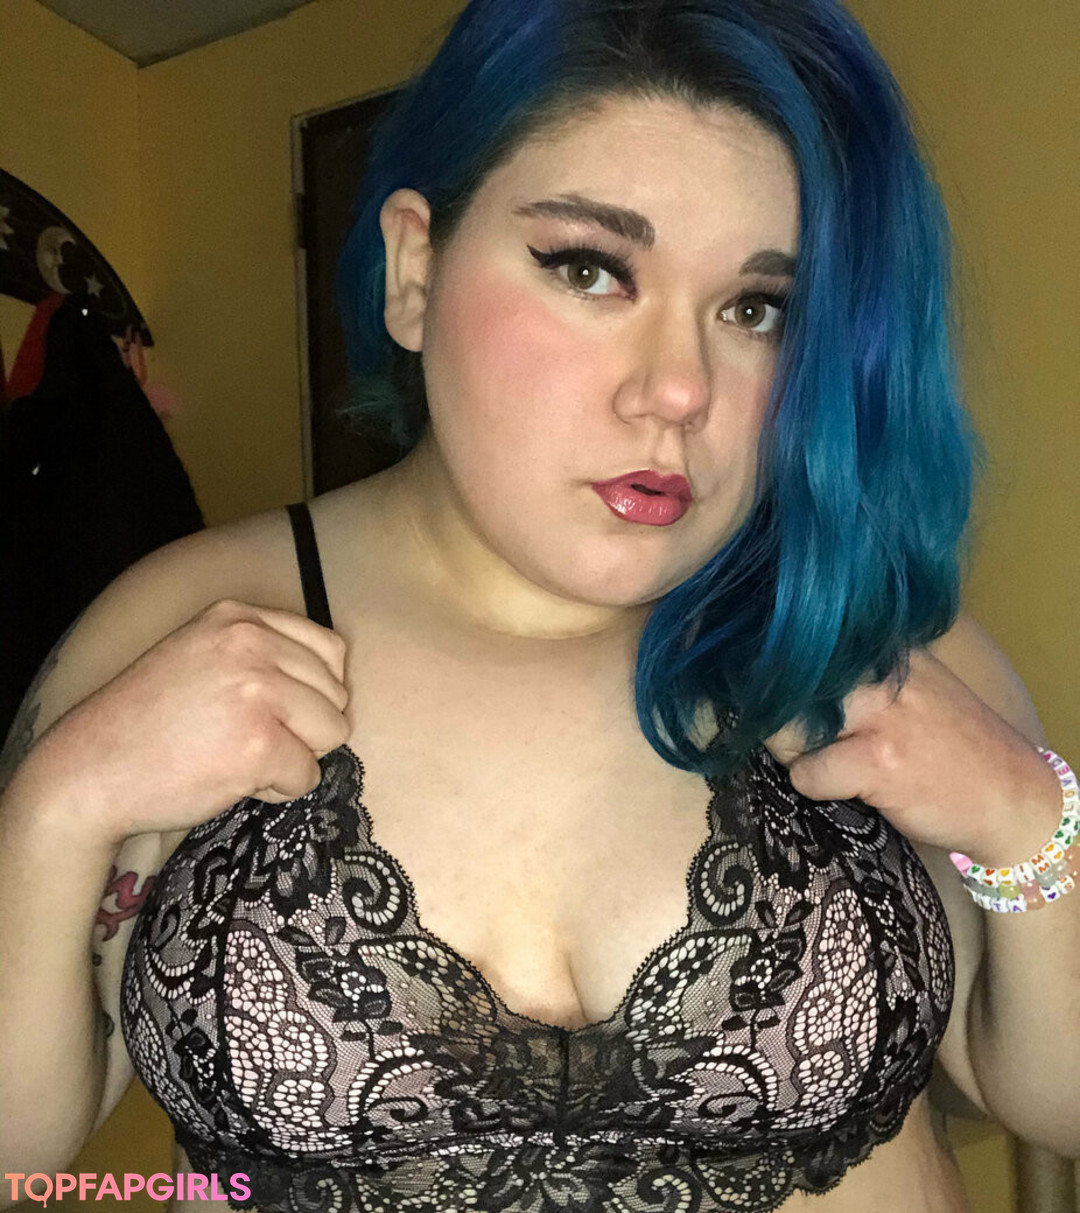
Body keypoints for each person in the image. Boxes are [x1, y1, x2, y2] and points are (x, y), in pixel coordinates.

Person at [1, 0, 1077, 1210]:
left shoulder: (870, 644)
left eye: (755, 307)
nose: (677, 389)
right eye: (590, 269)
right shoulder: (175, 629)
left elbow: (1056, 1098)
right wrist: (56, 813)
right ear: (415, 270)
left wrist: (1029, 821)